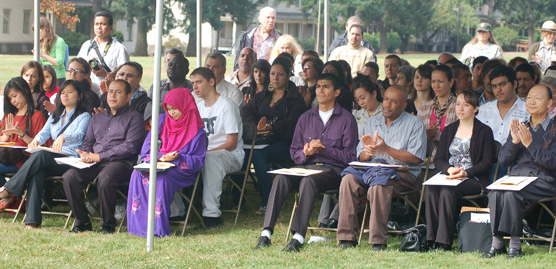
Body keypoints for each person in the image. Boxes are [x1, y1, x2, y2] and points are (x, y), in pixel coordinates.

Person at [254, 73, 358, 252]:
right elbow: (294, 153)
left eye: (326, 87)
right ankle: (266, 233)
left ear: (337, 92)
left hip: (332, 170)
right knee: (281, 178)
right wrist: (306, 152)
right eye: (318, 86)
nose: (320, 90)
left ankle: (298, 236)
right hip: (305, 166)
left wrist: (324, 149)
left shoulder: (347, 119)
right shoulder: (306, 117)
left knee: (309, 181)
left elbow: (350, 157)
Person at [336, 85, 427, 250]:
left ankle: (378, 241)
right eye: (386, 99)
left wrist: (386, 150)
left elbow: (416, 158)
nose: (387, 104)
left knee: (379, 184)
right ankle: (346, 237)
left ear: (404, 105)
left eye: (394, 101)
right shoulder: (373, 122)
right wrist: (368, 152)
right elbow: (361, 156)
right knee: (348, 179)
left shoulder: (415, 124)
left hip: (402, 174)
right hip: (371, 169)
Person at [0, 80, 91, 228]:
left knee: (41, 155)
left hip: (70, 159)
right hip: (53, 158)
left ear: (79, 96)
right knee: (37, 172)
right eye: (62, 92)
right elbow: (43, 133)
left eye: (70, 92)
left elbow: (80, 134)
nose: (65, 95)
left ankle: (9, 189)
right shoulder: (56, 115)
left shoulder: (84, 116)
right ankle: (32, 221)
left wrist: (63, 137)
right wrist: (35, 142)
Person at [63, 79, 145, 234]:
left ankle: (108, 225)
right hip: (94, 162)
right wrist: (85, 155)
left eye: (118, 92)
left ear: (129, 96)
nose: (112, 95)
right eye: (110, 91)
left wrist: (100, 156)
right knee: (70, 176)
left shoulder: (135, 118)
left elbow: (130, 147)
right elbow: (88, 142)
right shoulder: (97, 118)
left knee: (106, 177)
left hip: (121, 163)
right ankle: (82, 221)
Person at [485, 85, 556, 259]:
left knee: (511, 194)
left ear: (550, 104)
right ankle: (497, 242)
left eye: (537, 98)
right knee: (494, 192)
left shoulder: (554, 129)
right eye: (529, 97)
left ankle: (515, 245)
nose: (531, 101)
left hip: (544, 179)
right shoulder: (521, 126)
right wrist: (515, 141)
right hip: (517, 176)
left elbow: (553, 162)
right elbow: (503, 160)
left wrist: (530, 145)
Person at [127, 88, 206, 237]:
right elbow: (146, 150)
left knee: (161, 178)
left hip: (181, 170)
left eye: (175, 108)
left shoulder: (198, 132)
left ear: (186, 106)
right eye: (168, 109)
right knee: (137, 175)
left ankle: (157, 228)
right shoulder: (162, 121)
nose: (171, 112)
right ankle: (138, 227)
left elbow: (197, 161)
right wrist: (161, 157)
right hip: (160, 163)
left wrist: (177, 158)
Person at [425, 90, 495, 250]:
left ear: (476, 109)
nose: (460, 108)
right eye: (458, 104)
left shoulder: (484, 131)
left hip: (473, 179)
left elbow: (486, 163)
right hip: (450, 176)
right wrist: (450, 169)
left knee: (447, 192)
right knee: (431, 190)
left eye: (466, 105)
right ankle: (431, 238)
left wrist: (465, 173)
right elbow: (439, 159)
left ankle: (443, 241)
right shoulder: (449, 130)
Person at [241, 59, 307, 214]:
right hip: (261, 139)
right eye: (272, 74)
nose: (275, 78)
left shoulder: (295, 98)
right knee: (240, 152)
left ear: (288, 76)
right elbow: (247, 112)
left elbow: (294, 122)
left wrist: (272, 127)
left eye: (280, 74)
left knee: (257, 155)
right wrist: (257, 125)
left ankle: (268, 201)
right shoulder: (263, 95)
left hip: (284, 142)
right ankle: (238, 200)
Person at [191, 67, 244, 228]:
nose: (194, 87)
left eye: (199, 82)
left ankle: (212, 215)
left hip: (230, 155)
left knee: (210, 159)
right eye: (193, 83)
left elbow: (231, 142)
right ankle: (178, 211)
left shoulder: (226, 106)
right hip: (206, 154)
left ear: (211, 82)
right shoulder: (199, 107)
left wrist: (205, 152)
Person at [0, 77, 47, 186]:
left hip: (23, 161)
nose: (13, 101)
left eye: (14, 96)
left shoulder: (37, 116)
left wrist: (21, 134)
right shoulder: (9, 116)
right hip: (4, 157)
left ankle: (7, 196)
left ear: (25, 92)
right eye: (10, 98)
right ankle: (7, 197)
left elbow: (40, 146)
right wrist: (7, 135)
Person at [77, 11, 129, 95]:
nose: (99, 27)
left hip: (108, 93)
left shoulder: (119, 48)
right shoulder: (87, 45)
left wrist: (106, 73)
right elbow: (77, 66)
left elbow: (126, 76)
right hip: (87, 93)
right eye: (96, 24)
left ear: (111, 28)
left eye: (103, 24)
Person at [477, 65, 529, 144]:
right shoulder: (483, 110)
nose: (498, 89)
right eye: (494, 86)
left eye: (502, 84)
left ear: (514, 84)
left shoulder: (527, 110)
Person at [418, 65, 458, 158]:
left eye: (440, 81)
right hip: (427, 160)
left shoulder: (459, 106)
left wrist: (437, 135)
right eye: (433, 81)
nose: (436, 86)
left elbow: (461, 138)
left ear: (451, 82)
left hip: (451, 159)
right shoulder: (425, 108)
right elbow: (417, 137)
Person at [146, 55, 192, 122]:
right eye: (170, 65)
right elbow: (149, 113)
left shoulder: (192, 91)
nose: (172, 68)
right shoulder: (157, 90)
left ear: (186, 71)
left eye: (177, 66)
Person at [35, 17, 67, 86]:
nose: (36, 33)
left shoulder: (59, 41)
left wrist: (43, 55)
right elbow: (41, 63)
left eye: (37, 30)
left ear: (44, 29)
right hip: (44, 78)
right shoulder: (41, 43)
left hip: (57, 78)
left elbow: (60, 62)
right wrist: (36, 56)